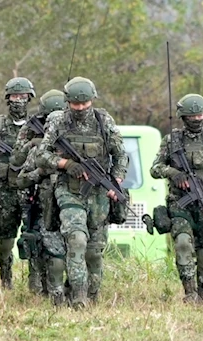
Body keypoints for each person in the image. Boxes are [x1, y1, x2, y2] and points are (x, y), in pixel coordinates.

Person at [36, 77, 128, 308]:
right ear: (67, 102)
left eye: (84, 104)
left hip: (99, 194)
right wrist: (65, 164)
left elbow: (120, 156)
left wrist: (115, 181)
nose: (80, 108)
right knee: (76, 240)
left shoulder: (104, 121)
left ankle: (91, 295)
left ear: (92, 101)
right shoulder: (58, 122)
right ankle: (78, 297)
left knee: (94, 252)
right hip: (69, 191)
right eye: (75, 104)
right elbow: (41, 155)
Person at [150, 93, 203, 303]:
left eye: (200, 115)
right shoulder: (171, 141)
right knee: (183, 244)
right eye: (192, 116)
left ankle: (202, 297)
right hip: (180, 204)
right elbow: (155, 168)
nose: (197, 119)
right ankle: (189, 293)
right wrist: (174, 173)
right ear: (183, 117)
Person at [12, 89, 66, 297]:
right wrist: (40, 169)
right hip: (41, 204)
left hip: (68, 202)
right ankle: (39, 290)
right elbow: (20, 174)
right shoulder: (32, 136)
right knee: (37, 246)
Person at [0, 77, 35, 289]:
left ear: (29, 98)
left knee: (33, 236)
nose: (18, 101)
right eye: (15, 97)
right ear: (8, 99)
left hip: (30, 190)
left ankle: (35, 280)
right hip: (4, 192)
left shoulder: (36, 125)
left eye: (23, 97)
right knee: (5, 241)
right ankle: (6, 281)